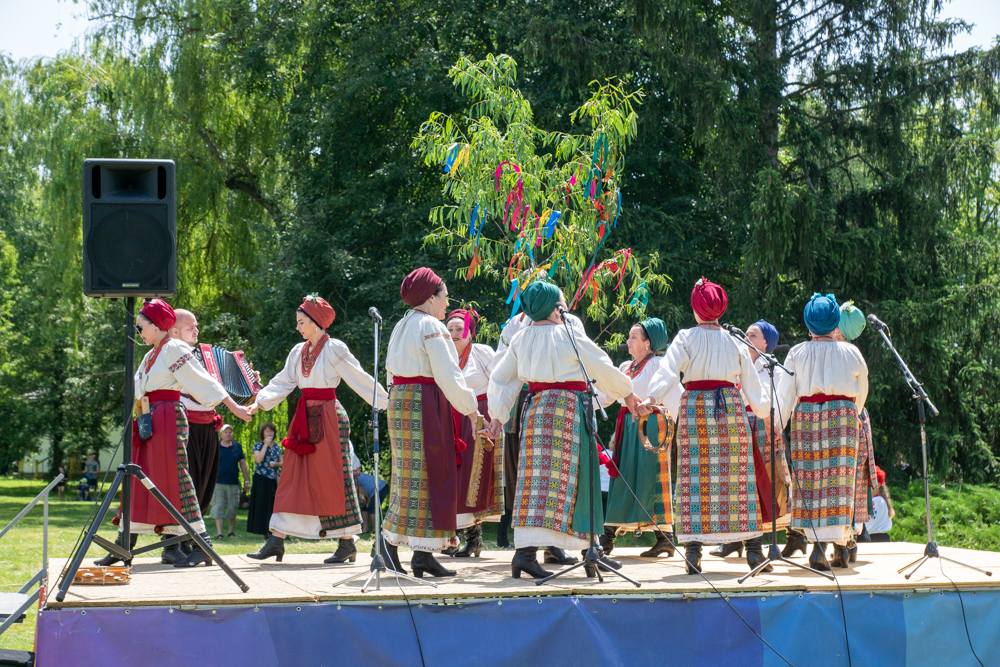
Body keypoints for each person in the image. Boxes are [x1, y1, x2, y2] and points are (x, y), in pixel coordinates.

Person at [488, 280, 638, 580]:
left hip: (536, 411)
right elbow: (602, 366)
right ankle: (587, 551)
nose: (564, 308)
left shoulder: (521, 338)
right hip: (568, 411)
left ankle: (526, 554)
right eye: (561, 303)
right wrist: (629, 396)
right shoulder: (568, 334)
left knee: (535, 482)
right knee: (578, 480)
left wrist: (497, 416)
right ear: (554, 307)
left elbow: (501, 379)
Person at [95, 298, 251, 568]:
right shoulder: (152, 353)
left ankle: (203, 545)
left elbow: (203, 381)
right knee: (139, 480)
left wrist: (234, 407)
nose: (139, 331)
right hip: (150, 418)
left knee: (176, 479)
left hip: (167, 418)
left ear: (156, 326)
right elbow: (140, 388)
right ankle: (124, 545)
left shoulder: (173, 348)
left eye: (141, 326)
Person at [246, 295, 388, 565]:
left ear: (316, 322)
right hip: (303, 418)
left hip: (329, 418)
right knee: (292, 476)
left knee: (334, 479)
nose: (298, 327)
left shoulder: (334, 348)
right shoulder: (297, 352)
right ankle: (276, 538)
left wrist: (385, 402)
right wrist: (259, 403)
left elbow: (359, 377)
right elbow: (283, 382)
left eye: (301, 322)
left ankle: (346, 542)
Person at [646, 278, 770, 575]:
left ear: (695, 308)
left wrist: (651, 397)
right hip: (729, 408)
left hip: (695, 409)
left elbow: (668, 370)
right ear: (721, 309)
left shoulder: (686, 337)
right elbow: (753, 384)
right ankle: (753, 551)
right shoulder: (735, 340)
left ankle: (693, 552)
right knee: (738, 478)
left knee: (694, 478)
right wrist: (764, 409)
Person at [381, 268, 483, 577]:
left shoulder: (402, 325)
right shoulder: (431, 327)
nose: (446, 302)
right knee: (427, 473)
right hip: (423, 401)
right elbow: (448, 375)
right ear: (430, 297)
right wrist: (471, 410)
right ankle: (391, 544)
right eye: (444, 296)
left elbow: (390, 370)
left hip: (400, 400)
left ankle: (421, 554)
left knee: (410, 474)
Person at [775, 293, 868, 570]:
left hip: (807, 417)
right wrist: (853, 410)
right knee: (839, 483)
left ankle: (818, 547)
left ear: (808, 324)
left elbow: (786, 393)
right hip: (842, 417)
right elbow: (862, 390)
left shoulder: (798, 352)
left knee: (811, 481)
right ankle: (840, 547)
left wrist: (779, 424)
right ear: (835, 322)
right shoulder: (851, 352)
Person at [493, 302, 588, 565]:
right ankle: (530, 550)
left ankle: (551, 547)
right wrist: (498, 414)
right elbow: (500, 367)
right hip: (528, 401)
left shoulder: (569, 324)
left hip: (540, 403)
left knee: (551, 480)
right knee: (534, 479)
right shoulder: (517, 327)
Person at [712, 319, 794, 559]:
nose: (746, 338)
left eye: (752, 335)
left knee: (773, 480)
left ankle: (793, 535)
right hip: (741, 425)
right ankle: (736, 539)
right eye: (745, 334)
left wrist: (774, 426)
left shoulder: (774, 369)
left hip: (764, 426)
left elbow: (776, 399)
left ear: (766, 343)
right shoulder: (739, 364)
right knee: (740, 483)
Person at [599, 317, 678, 559]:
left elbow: (674, 392)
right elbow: (608, 396)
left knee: (649, 476)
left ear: (647, 343)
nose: (628, 341)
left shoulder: (658, 364)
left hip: (651, 426)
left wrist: (682, 425)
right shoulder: (625, 367)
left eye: (634, 337)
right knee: (622, 477)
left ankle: (664, 537)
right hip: (628, 427)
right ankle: (610, 535)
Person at [443, 307, 503, 559]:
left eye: (460, 329)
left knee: (472, 478)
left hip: (478, 420)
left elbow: (499, 382)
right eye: (450, 329)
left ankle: (473, 538)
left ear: (470, 332)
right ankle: (453, 538)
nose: (455, 333)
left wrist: (496, 418)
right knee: (451, 478)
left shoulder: (482, 353)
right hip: (449, 419)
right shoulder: (441, 355)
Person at [835, 301, 879, 563]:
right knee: (852, 479)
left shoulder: (844, 352)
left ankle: (847, 540)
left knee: (847, 477)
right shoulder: (852, 352)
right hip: (857, 413)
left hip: (848, 413)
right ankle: (848, 541)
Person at [170, 309, 223, 516]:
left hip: (208, 426)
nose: (196, 331)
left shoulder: (206, 356)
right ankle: (177, 539)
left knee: (205, 483)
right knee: (187, 482)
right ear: (174, 332)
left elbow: (221, 390)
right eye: (190, 327)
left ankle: (193, 539)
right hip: (185, 425)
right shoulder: (172, 355)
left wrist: (249, 385)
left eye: (196, 326)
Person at [211, 424, 250, 539]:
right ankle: (219, 533)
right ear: (221, 434)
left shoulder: (237, 447)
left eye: (230, 432)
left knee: (233, 508)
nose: (228, 434)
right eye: (226, 432)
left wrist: (247, 480)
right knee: (219, 507)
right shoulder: (216, 447)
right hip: (218, 483)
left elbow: (243, 464)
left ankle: (231, 532)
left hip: (233, 483)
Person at [246, 423, 282, 535]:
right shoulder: (258, 445)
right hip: (260, 478)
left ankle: (269, 530)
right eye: (267, 431)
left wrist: (276, 464)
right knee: (260, 504)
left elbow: (282, 462)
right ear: (263, 433)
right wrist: (265, 445)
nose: (269, 433)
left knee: (270, 505)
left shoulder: (277, 447)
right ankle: (259, 529)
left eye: (271, 431)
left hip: (272, 480)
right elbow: (258, 460)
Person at [864, 466, 894, 541]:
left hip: (870, 539)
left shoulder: (876, 501)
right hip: (884, 538)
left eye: (869, 485)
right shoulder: (883, 501)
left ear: (878, 484)